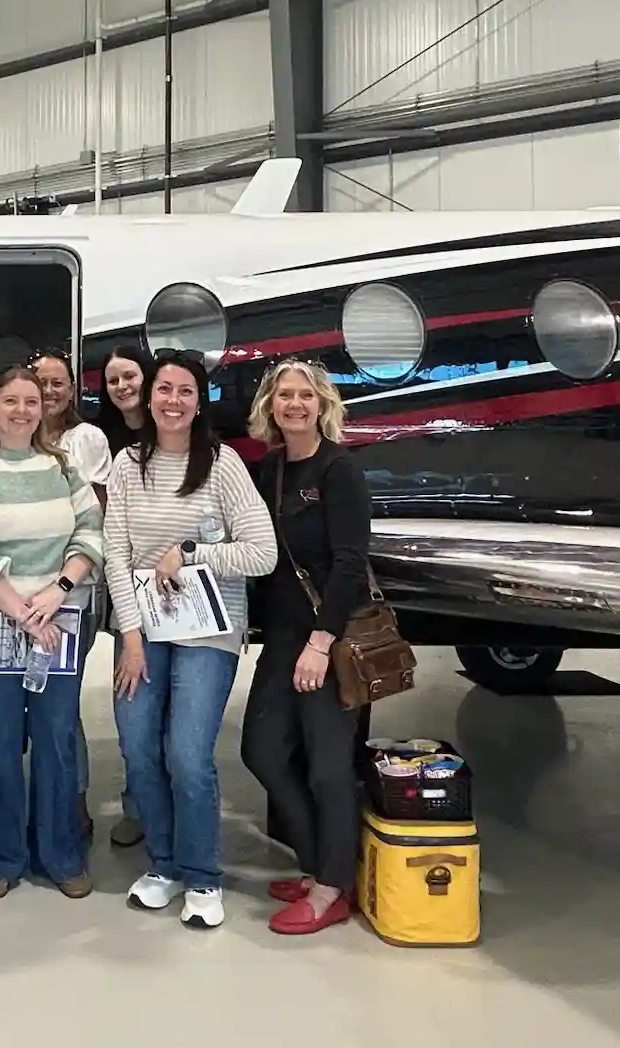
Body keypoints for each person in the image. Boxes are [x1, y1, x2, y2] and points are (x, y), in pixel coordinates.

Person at [103, 351, 277, 930]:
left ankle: (203, 877)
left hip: (209, 628)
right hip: (144, 628)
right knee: (139, 746)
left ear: (198, 401)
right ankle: (165, 865)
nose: (172, 400)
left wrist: (195, 553)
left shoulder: (223, 465)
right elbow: (118, 557)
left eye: (184, 391)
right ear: (148, 397)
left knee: (187, 753)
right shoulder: (128, 466)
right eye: (163, 390)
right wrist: (129, 636)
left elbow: (262, 551)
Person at [0, 366, 106, 900]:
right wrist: (19, 609)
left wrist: (58, 591)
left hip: (59, 619)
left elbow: (90, 532)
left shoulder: (64, 468)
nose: (21, 411)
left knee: (57, 736)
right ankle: (0, 854)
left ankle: (59, 853)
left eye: (31, 401)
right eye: (10, 401)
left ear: (44, 408)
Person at [239, 359, 369, 936]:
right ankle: (320, 864)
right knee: (263, 751)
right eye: (284, 395)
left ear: (321, 404)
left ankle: (330, 888)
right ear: (270, 405)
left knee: (327, 768)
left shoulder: (339, 469)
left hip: (328, 640)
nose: (294, 404)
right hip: (283, 638)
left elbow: (349, 564)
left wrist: (321, 641)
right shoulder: (268, 469)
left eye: (304, 396)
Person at [30, 351, 112, 839]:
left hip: (69, 593)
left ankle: (70, 802)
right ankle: (40, 801)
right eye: (40, 381)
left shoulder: (88, 439)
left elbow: (94, 515)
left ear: (73, 388)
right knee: (24, 705)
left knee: (60, 703)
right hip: (16, 596)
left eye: (58, 382)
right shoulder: (12, 438)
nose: (49, 391)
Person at [85, 344, 155, 847]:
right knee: (131, 696)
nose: (123, 386)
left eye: (129, 376)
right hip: (123, 580)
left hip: (174, 581)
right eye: (113, 381)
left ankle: (168, 807)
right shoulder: (99, 438)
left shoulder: (174, 426)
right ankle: (137, 805)